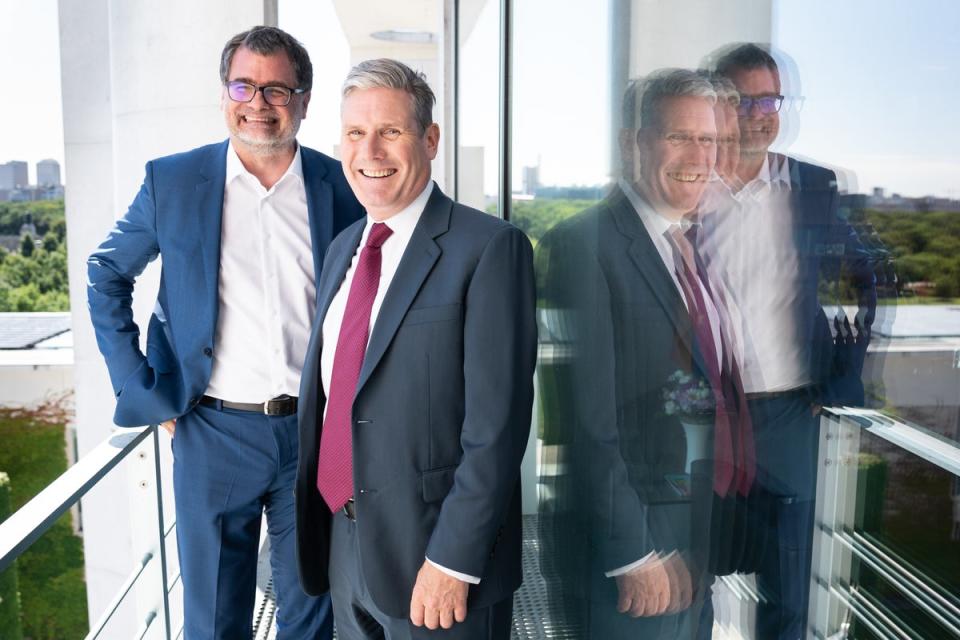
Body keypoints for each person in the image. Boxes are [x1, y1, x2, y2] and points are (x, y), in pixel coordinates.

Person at [86, 26, 364, 639]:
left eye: (276, 88)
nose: (259, 102)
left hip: (310, 433)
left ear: (303, 99)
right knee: (214, 620)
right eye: (245, 85)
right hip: (210, 433)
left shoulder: (341, 186)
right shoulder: (173, 182)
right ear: (223, 94)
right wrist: (143, 386)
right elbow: (105, 273)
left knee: (312, 610)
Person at [294, 58, 537, 638]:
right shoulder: (344, 250)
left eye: (390, 132)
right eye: (355, 133)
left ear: (429, 139)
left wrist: (453, 559)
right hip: (345, 543)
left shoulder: (489, 249)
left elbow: (497, 430)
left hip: (437, 559)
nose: (369, 151)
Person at [537, 68, 753, 639]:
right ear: (633, 143)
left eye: (708, 140)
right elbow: (587, 425)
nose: (698, 155)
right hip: (633, 552)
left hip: (693, 536)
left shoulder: (692, 244)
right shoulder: (584, 245)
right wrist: (631, 553)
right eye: (679, 136)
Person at [701, 43, 878, 639]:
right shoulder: (686, 184)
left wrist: (839, 375)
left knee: (789, 587)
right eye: (740, 99)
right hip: (701, 416)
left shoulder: (812, 186)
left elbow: (866, 279)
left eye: (768, 98)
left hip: (788, 417)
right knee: (688, 571)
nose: (757, 112)